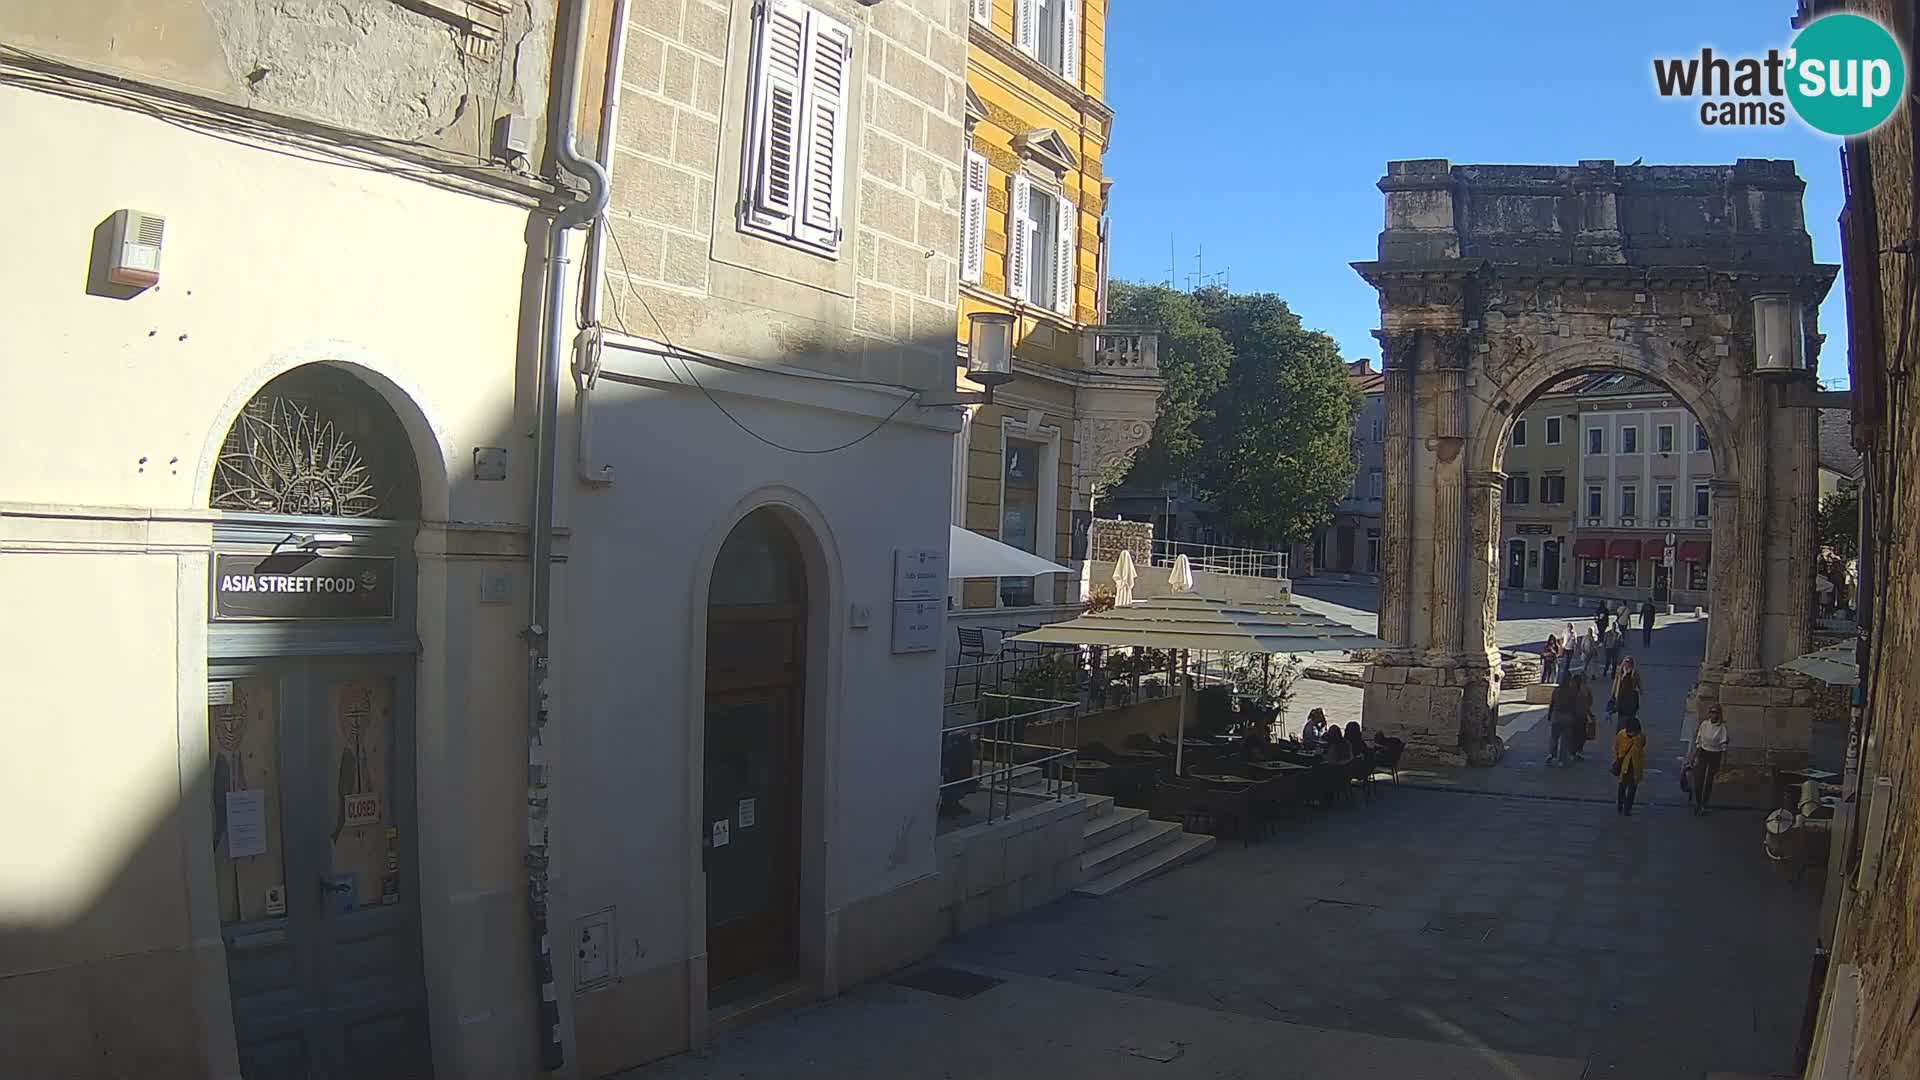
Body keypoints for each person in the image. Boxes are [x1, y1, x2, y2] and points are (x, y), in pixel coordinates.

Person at [1687, 704, 1730, 815]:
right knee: (1699, 778)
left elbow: (1724, 746)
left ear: (1719, 714)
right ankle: (1698, 801)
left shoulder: (1722, 728)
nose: (1713, 715)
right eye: (1711, 712)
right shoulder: (1704, 725)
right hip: (1703, 752)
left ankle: (1704, 803)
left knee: (1709, 779)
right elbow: (1699, 741)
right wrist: (1694, 757)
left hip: (1715, 754)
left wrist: (1724, 763)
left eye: (1715, 712)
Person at [1546, 673, 1592, 766]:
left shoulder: (1556, 690)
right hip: (1567, 717)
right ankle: (1561, 760)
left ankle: (1551, 754)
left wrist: (1550, 715)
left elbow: (1552, 703)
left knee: (1554, 737)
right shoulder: (1572, 692)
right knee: (1565, 739)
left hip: (1556, 716)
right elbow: (1574, 705)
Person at [1612, 714, 1647, 815]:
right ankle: (1623, 806)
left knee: (1629, 788)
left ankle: (1625, 807)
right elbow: (1616, 747)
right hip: (1627, 766)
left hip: (1633, 767)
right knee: (1624, 787)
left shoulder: (1625, 735)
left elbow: (1616, 747)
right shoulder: (1638, 737)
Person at [1609, 657, 1642, 729]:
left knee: (1630, 716)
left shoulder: (1634, 672)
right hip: (1621, 697)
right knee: (1621, 716)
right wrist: (1612, 695)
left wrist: (1640, 690)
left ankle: (1629, 729)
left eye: (1629, 663)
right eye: (1626, 662)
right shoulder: (1620, 672)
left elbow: (1638, 682)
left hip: (1630, 698)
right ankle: (1621, 731)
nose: (1627, 664)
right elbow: (1615, 683)